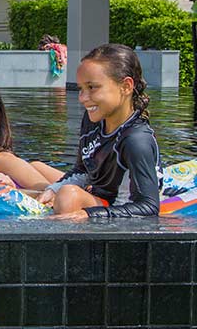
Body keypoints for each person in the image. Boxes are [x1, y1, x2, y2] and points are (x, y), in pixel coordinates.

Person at [40, 43, 161, 219]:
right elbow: (83, 170)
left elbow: (149, 206)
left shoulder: (136, 141)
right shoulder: (92, 120)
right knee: (37, 167)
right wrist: (53, 189)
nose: (82, 98)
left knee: (68, 196)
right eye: (81, 89)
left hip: (120, 207)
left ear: (126, 86)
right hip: (97, 194)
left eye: (92, 87)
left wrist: (88, 214)